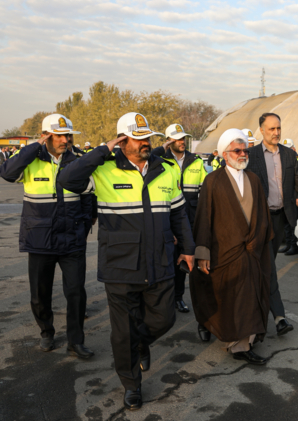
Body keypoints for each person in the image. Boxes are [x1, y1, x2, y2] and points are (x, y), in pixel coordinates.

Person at [58, 112, 195, 411]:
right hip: (120, 264)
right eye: (138, 137)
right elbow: (67, 179)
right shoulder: (103, 169)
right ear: (122, 141)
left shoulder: (166, 169)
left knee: (164, 318)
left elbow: (179, 214)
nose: (146, 142)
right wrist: (102, 149)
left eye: (148, 137)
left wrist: (188, 248)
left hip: (160, 260)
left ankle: (140, 344)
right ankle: (131, 384)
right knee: (122, 331)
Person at [0, 114, 93, 359]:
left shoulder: (77, 161)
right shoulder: (31, 161)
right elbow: (7, 173)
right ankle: (46, 331)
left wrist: (83, 227)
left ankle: (76, 340)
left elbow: (89, 199)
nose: (66, 140)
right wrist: (34, 147)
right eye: (60, 135)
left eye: (68, 135)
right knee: (39, 294)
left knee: (75, 292)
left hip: (72, 239)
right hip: (40, 240)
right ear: (47, 136)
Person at [190, 129, 273, 365]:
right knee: (225, 299)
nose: (242, 154)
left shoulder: (254, 180)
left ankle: (241, 346)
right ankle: (213, 327)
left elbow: (262, 216)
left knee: (248, 298)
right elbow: (204, 217)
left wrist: (259, 242)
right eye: (237, 151)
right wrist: (202, 252)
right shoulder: (213, 181)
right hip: (223, 252)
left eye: (244, 150)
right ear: (225, 155)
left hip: (251, 253)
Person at [246, 113, 298, 336]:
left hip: (280, 219)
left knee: (265, 267)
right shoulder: (250, 155)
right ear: (261, 130)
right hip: (258, 220)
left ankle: (262, 315)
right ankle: (278, 317)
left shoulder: (289, 155)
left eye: (278, 128)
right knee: (266, 267)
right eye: (271, 129)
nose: (276, 132)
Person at [152, 124, 207, 313]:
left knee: (184, 261)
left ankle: (178, 298)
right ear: (168, 141)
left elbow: (205, 192)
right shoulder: (158, 160)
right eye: (176, 139)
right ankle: (163, 300)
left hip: (189, 220)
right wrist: (162, 149)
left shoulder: (196, 162)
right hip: (166, 218)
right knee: (165, 261)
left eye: (183, 138)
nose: (181, 142)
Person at [278, 138, 298, 256]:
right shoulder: (282, 159)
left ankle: (294, 246)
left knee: (292, 223)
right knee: (286, 223)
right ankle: (288, 245)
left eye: (289, 148)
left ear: (293, 148)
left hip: (295, 196)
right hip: (285, 196)